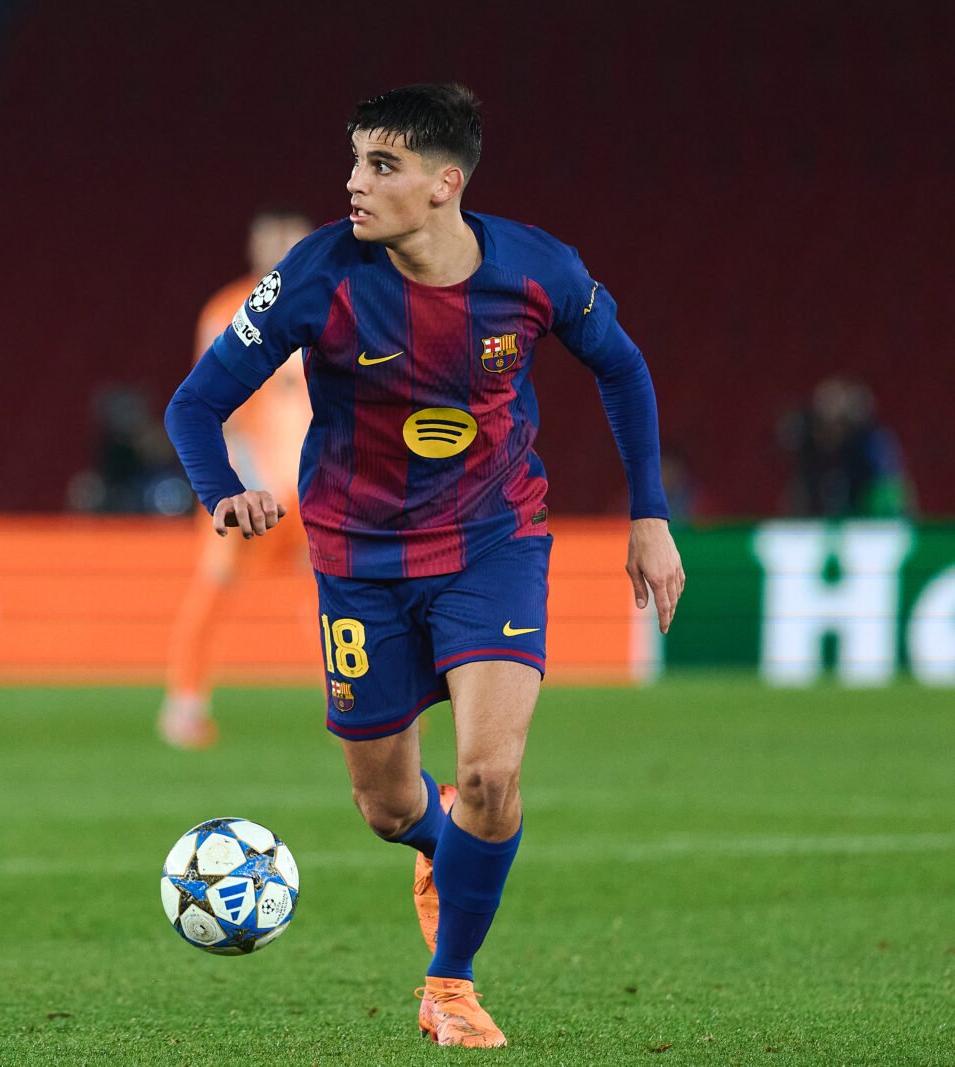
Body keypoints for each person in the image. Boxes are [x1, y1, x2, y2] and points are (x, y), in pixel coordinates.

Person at [164, 84, 685, 1048]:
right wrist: (220, 489)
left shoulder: (537, 270)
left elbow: (624, 366)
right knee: (387, 803)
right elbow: (192, 405)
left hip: (494, 543)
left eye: (381, 165)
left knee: (492, 775)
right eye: (357, 160)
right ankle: (435, 844)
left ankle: (449, 984)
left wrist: (648, 513)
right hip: (358, 561)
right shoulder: (317, 273)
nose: (354, 182)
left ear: (446, 184)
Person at [159, 207, 315, 748]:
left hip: (316, 484)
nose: (282, 249)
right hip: (254, 479)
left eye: (292, 240)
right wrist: (233, 478)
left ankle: (368, 706)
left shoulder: (330, 303)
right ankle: (184, 701)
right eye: (274, 240)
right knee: (218, 584)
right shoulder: (230, 309)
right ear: (256, 247)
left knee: (345, 591)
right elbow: (212, 401)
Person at [778, 376, 914, 518]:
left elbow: (892, 497)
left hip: (870, 522)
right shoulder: (810, 449)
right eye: (822, 420)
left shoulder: (873, 444)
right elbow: (800, 499)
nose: (829, 429)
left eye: (837, 422)